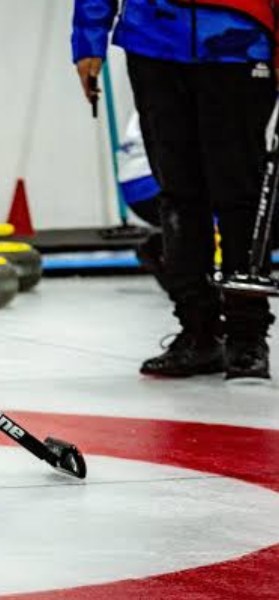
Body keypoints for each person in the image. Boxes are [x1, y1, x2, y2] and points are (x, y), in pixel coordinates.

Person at [72, 0, 277, 381]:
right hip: (154, 43)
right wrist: (89, 38)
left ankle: (247, 337)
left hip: (240, 42)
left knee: (240, 195)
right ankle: (197, 331)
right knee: (178, 192)